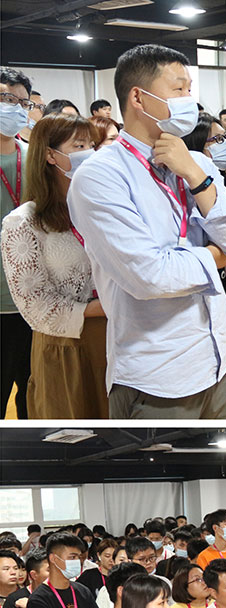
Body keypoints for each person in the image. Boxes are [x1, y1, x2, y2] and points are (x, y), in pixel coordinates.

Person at [67, 44, 226, 418]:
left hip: (221, 355)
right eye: (179, 89)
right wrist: (215, 255)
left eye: (189, 89)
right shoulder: (100, 176)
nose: (189, 100)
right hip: (158, 373)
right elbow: (150, 276)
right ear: (139, 97)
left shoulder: (196, 163)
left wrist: (196, 176)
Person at [3, 128, 110, 414]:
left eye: (92, 145)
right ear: (50, 155)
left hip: (117, 335)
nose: (90, 153)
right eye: (79, 145)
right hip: (67, 346)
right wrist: (103, 307)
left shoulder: (98, 209)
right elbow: (35, 306)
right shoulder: (23, 222)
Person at [182, 112, 226, 399]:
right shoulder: (186, 189)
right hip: (207, 288)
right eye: (217, 139)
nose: (225, 145)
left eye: (225, 138)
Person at [0, 68, 35, 418]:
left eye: (23, 102)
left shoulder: (35, 158)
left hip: (33, 301)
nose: (15, 108)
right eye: (5, 98)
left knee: (33, 397)